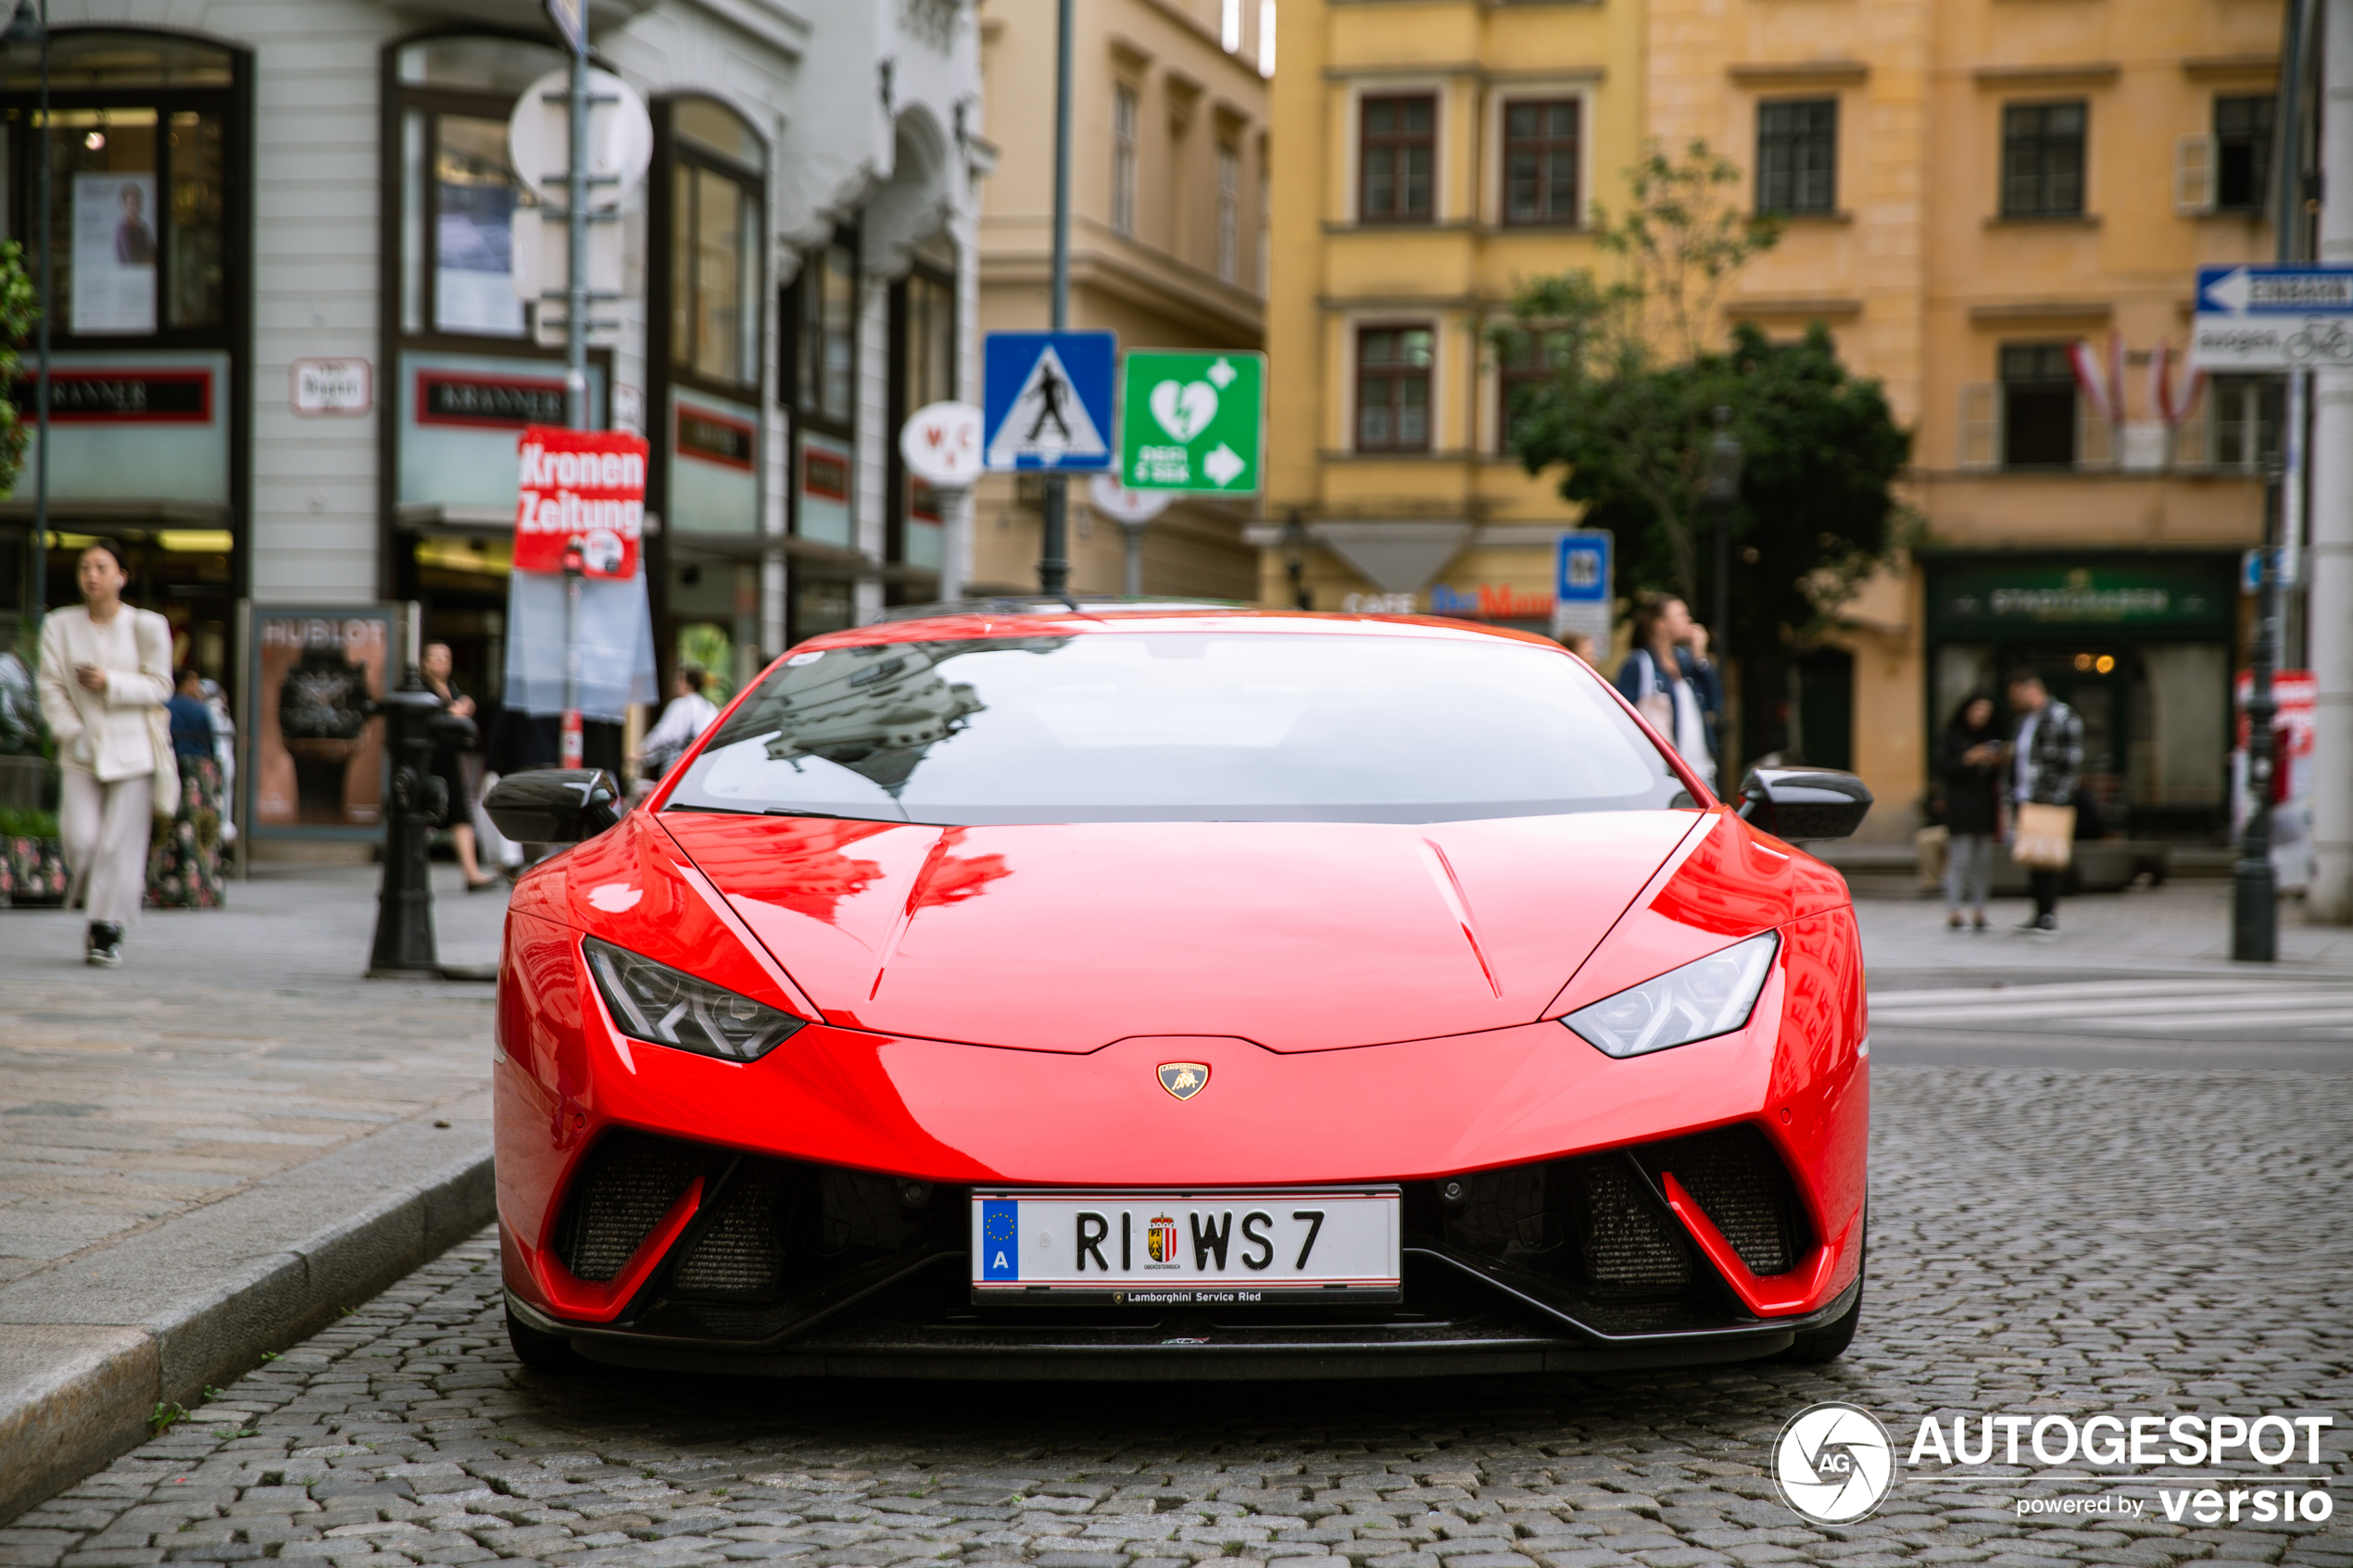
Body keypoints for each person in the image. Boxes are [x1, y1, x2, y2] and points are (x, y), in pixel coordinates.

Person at [37, 540, 172, 967]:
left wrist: (110, 683)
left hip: (133, 751)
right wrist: (69, 731)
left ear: (121, 577)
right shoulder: (60, 625)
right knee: (81, 839)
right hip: (81, 749)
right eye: (84, 567)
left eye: (100, 567)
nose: (90, 575)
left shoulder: (147, 626)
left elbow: (160, 686)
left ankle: (106, 928)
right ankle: (110, 899)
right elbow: (50, 687)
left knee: (119, 845)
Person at [1613, 594, 1723, 787]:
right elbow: (1621, 720)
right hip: (1666, 777)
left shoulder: (1688, 662)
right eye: (1681, 614)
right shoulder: (1638, 664)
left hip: (1703, 774)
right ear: (1661, 624)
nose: (1688, 619)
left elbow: (1716, 702)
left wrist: (1701, 658)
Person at [2005, 666, 2082, 935]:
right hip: (2025, 799)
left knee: (2049, 857)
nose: (2014, 701)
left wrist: (2058, 799)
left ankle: (2048, 913)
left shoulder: (2062, 717)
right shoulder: (2022, 722)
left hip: (2049, 800)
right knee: (2034, 857)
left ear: (2032, 688)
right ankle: (2039, 912)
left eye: (2017, 695)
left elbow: (2072, 764)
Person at [420, 642, 496, 892]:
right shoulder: (421, 689)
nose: (442, 662)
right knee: (419, 814)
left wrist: (463, 709)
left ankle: (471, 873)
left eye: (447, 657)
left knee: (461, 814)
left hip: (450, 760)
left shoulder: (451, 689)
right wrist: (452, 713)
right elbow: (427, 721)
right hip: (428, 761)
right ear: (425, 662)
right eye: (436, 657)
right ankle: (412, 867)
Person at [148, 669, 226, 909]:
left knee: (168, 830)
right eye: (194, 681)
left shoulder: (164, 706)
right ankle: (199, 888)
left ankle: (163, 887)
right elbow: (212, 744)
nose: (197, 687)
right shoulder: (200, 709)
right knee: (199, 833)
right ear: (186, 682)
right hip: (199, 776)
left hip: (170, 770)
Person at [1937, 694, 2004, 931]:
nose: (1981, 717)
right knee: (1960, 859)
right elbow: (1943, 767)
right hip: (1961, 808)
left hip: (1986, 807)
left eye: (1986, 713)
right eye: (1978, 711)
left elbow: (1998, 777)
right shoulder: (1954, 737)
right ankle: (1954, 909)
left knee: (1983, 861)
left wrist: (1996, 762)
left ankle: (1980, 909)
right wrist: (1968, 758)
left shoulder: (1991, 737)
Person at [633, 665, 719, 782]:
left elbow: (662, 735)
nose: (675, 683)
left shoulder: (680, 705)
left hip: (678, 767)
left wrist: (640, 751)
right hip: (702, 767)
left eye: (679, 680)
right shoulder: (710, 707)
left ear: (688, 685)